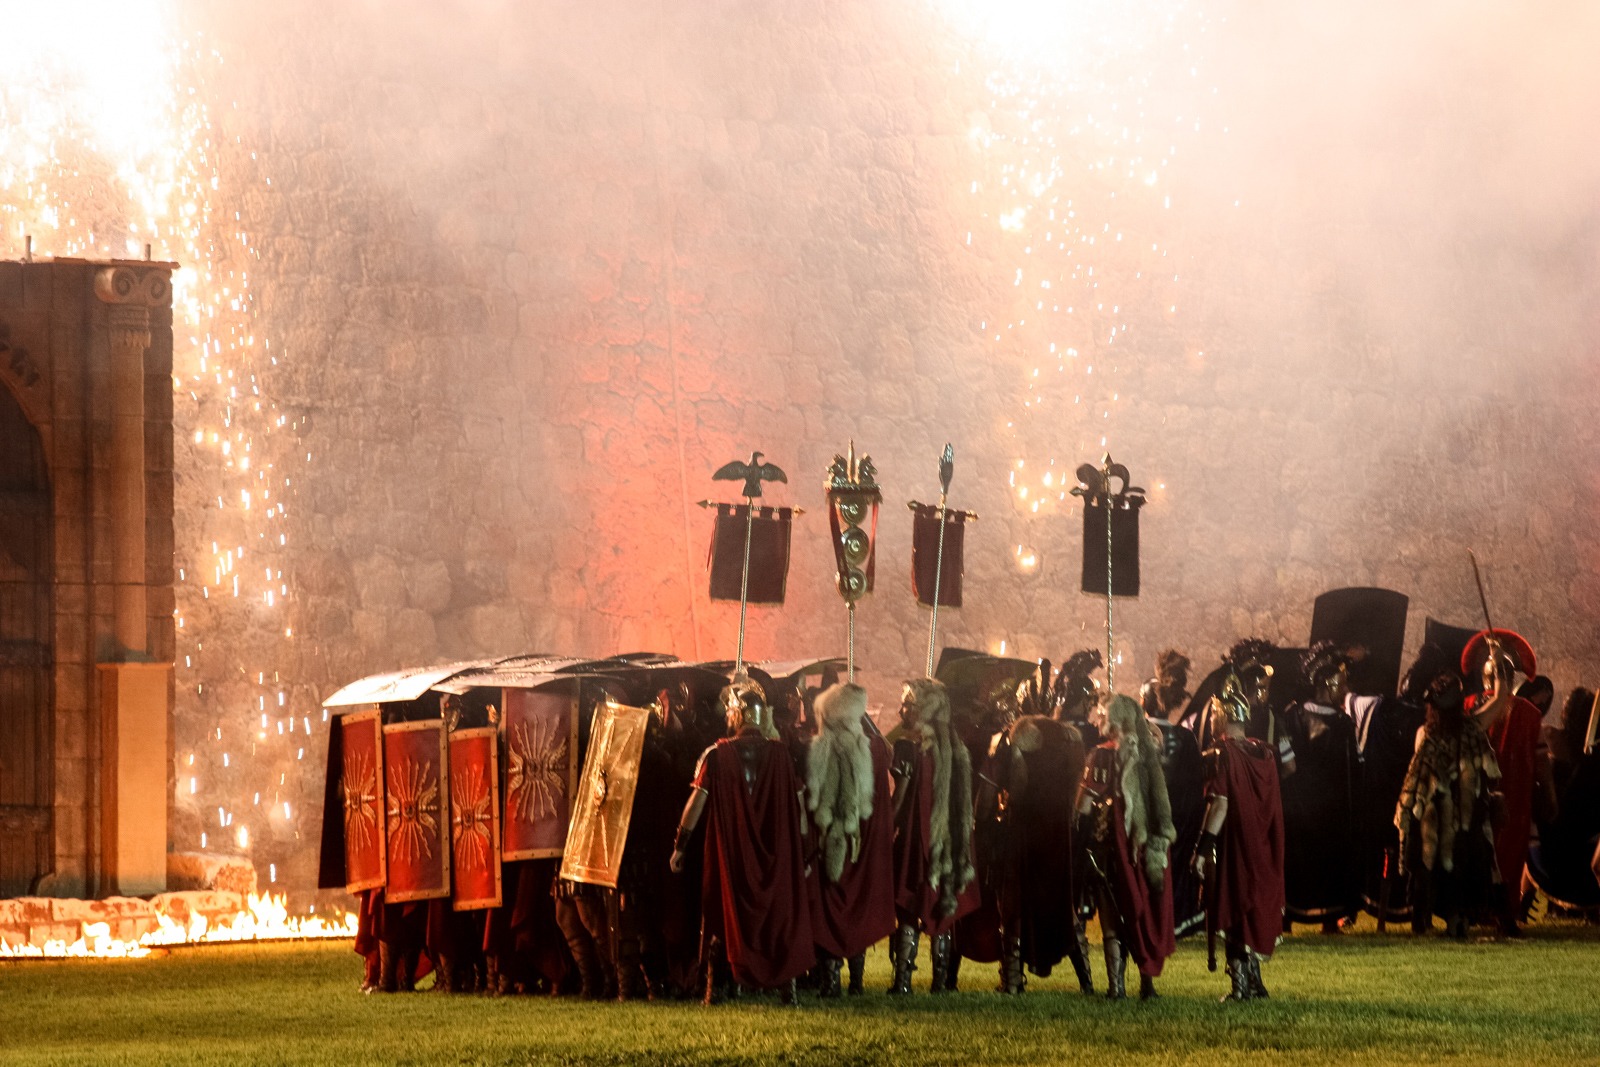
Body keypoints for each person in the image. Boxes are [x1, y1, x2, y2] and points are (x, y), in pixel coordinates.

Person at [669, 676, 813, 1004]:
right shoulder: (781, 756)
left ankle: (716, 990)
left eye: (731, 712)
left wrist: (680, 845)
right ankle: (785, 990)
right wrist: (803, 851)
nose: (727, 717)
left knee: (723, 914)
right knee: (777, 917)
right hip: (775, 855)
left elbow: (696, 803)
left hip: (732, 854)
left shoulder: (717, 755)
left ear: (742, 715)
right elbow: (800, 807)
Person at [982, 705, 1093, 994]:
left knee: (1014, 900)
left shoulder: (1017, 738)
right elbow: (1074, 785)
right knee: (1061, 903)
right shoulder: (1069, 740)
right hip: (1058, 829)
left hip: (1024, 828)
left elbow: (1014, 786)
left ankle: (1012, 981)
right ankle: (1087, 981)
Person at [1076, 694, 1176, 1000]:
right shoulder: (1149, 756)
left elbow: (1083, 806)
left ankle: (1116, 987)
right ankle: (1147, 984)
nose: (1099, 718)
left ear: (1114, 720)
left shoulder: (1099, 757)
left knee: (1110, 916)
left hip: (1110, 847)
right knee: (1141, 911)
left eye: (1104, 714)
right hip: (1146, 849)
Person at [1193, 682, 1285, 1001]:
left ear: (1222, 716)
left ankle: (1240, 987)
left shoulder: (1223, 752)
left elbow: (1219, 804)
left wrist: (1202, 850)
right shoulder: (1263, 752)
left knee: (1232, 906)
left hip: (1234, 843)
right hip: (1264, 843)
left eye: (1215, 713)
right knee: (1253, 907)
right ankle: (1257, 982)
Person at [887, 678, 979, 994]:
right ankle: (939, 982)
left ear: (925, 708)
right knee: (942, 899)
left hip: (916, 835)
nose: (903, 710)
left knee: (910, 904)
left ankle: (902, 982)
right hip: (950, 838)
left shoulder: (908, 746)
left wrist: (888, 823)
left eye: (909, 704)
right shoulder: (958, 748)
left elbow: (900, 797)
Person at [1395, 672, 1502, 939]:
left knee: (1428, 869)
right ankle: (1457, 919)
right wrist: (1500, 667)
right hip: (1462, 822)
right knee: (1460, 868)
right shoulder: (1473, 730)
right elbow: (1501, 699)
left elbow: (1417, 780)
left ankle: (1423, 921)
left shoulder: (1425, 736)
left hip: (1435, 820)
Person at [804, 682, 896, 997]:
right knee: (859, 906)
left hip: (835, 841)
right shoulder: (878, 748)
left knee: (831, 905)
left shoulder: (823, 747)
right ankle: (856, 980)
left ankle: (831, 981)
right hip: (865, 845)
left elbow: (817, 800)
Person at [1464, 631, 1558, 936]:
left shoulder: (1469, 706)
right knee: (1505, 852)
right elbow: (1542, 764)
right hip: (1511, 797)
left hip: (1481, 793)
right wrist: (1551, 796)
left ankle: (1482, 911)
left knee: (1484, 850)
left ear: (1485, 676)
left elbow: (1540, 760)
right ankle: (1503, 914)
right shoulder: (1530, 714)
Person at [1279, 642, 1361, 932]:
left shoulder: (1295, 716)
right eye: (1342, 682)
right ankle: (1303, 919)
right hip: (1321, 810)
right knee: (1305, 864)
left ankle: (1306, 920)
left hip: (1307, 808)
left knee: (1308, 864)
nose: (1345, 687)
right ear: (1327, 683)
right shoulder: (1335, 723)